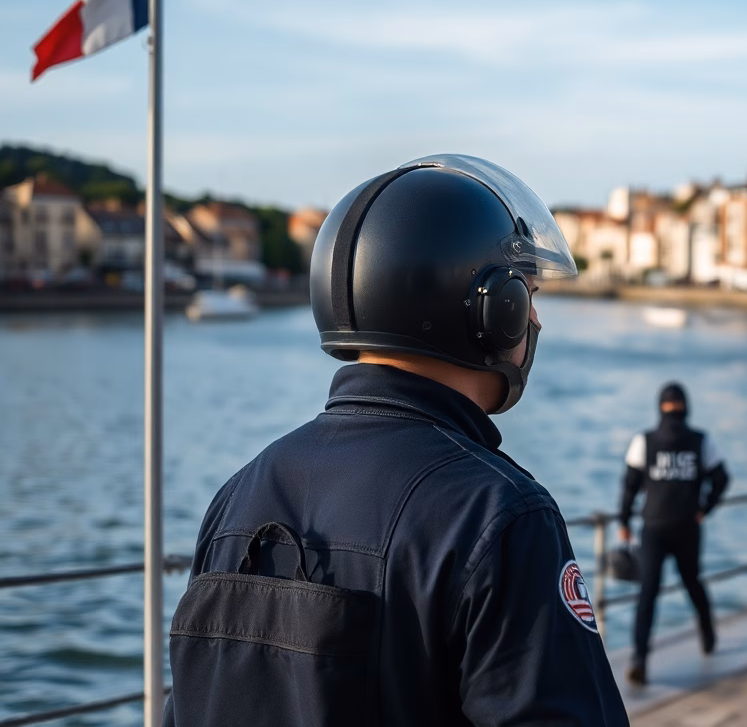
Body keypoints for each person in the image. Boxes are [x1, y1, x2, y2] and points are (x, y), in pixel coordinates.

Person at [164, 155, 628, 726]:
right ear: (492, 309)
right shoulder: (498, 514)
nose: (535, 320)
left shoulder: (237, 496)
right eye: (528, 294)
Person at [618, 382, 731, 685]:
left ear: (660, 408)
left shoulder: (645, 441)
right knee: (693, 582)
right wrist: (704, 509)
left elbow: (629, 485)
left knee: (647, 594)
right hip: (687, 529)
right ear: (685, 407)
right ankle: (707, 635)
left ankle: (640, 658)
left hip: (653, 529)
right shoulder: (701, 441)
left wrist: (624, 521)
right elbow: (722, 478)